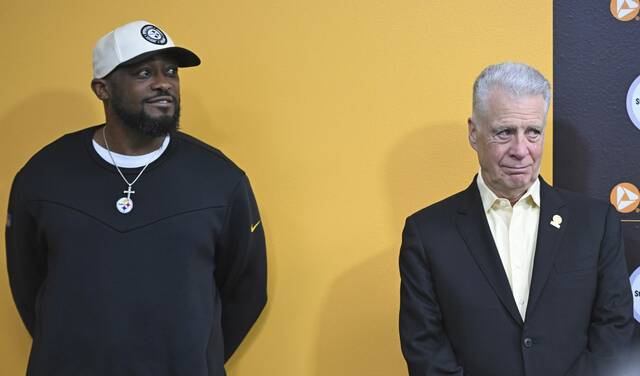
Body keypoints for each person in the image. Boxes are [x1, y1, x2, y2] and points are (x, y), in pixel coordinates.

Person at [6, 20, 267, 376]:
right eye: (143, 72)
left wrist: (194, 357)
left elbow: (246, 289)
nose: (164, 83)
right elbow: (29, 283)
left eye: (171, 72)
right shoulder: (43, 176)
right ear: (103, 89)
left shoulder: (220, 179)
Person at [398, 62, 633, 376]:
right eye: (504, 132)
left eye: (533, 132)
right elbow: (425, 349)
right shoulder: (426, 234)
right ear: (473, 132)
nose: (521, 150)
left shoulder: (596, 223)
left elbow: (614, 331)